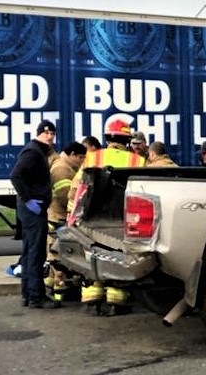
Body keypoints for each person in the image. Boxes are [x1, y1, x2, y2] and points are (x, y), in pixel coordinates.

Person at [68, 118, 145, 316]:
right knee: (119, 258)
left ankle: (92, 301)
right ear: (127, 139)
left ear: (107, 137)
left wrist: (73, 215)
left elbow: (77, 188)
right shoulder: (138, 161)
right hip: (121, 219)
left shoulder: (92, 158)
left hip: (92, 218)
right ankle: (115, 301)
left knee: (91, 254)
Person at [10, 120, 60, 308]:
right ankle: (36, 296)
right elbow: (15, 175)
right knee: (36, 253)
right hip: (32, 208)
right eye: (46, 133)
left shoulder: (38, 151)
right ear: (39, 133)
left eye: (52, 134)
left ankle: (28, 294)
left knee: (30, 251)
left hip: (33, 207)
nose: (49, 137)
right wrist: (28, 199)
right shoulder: (33, 152)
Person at [46, 141, 86, 302]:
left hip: (57, 217)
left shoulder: (65, 166)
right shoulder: (62, 169)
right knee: (57, 258)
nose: (82, 161)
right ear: (72, 155)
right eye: (81, 157)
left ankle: (52, 289)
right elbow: (65, 196)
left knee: (54, 257)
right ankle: (60, 293)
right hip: (59, 218)